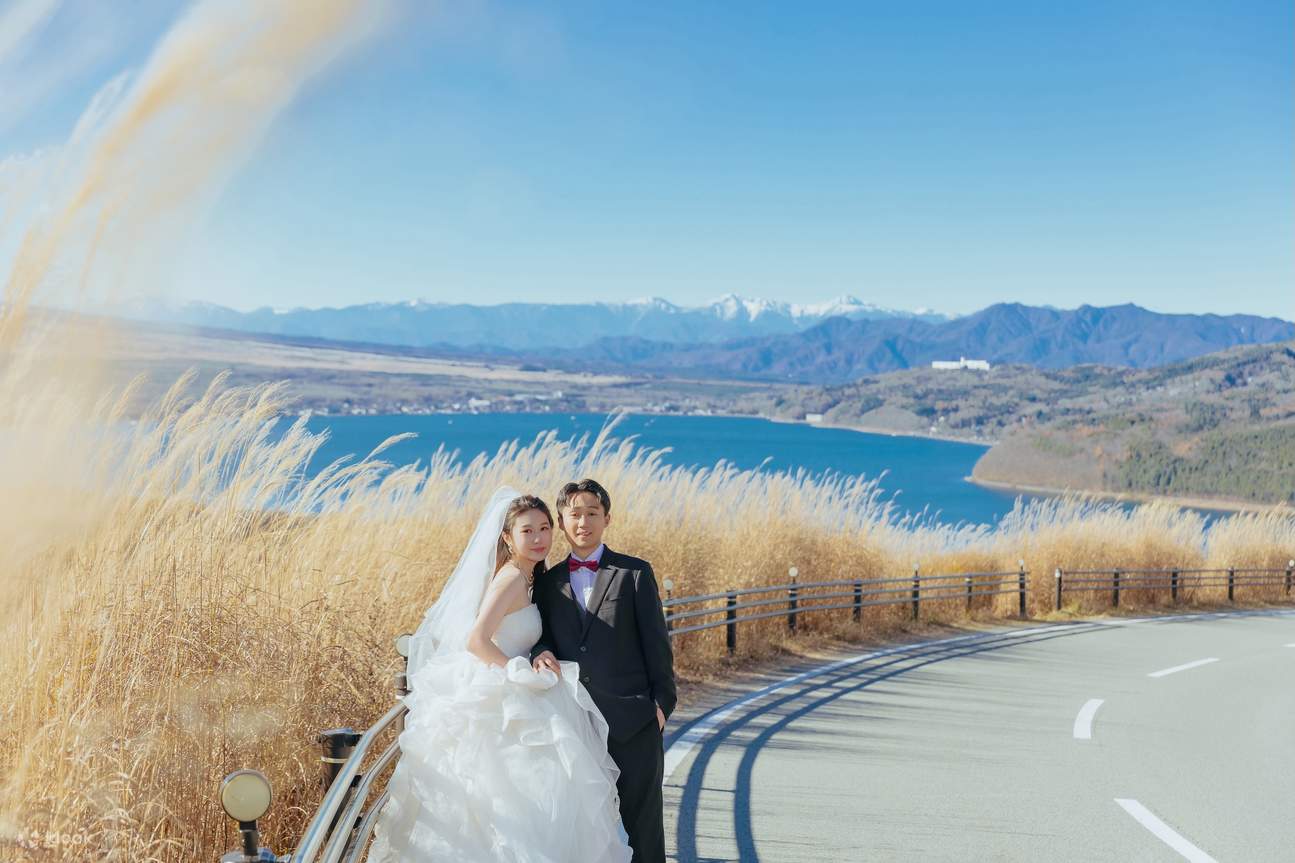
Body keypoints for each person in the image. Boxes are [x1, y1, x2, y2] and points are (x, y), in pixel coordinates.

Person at [367, 487, 632, 863]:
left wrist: (537, 655)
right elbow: (476, 640)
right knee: (503, 802)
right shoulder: (510, 579)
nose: (539, 539)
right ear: (507, 537)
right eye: (528, 531)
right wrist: (517, 671)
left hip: (521, 684)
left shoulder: (529, 578)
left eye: (544, 528)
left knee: (540, 800)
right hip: (500, 690)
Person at [531, 478, 677, 863]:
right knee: (584, 829)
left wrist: (660, 707)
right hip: (574, 723)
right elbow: (538, 635)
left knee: (642, 828)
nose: (583, 522)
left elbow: (657, 646)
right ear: (561, 521)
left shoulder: (634, 573)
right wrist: (541, 650)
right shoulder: (546, 583)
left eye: (592, 513)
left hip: (632, 722)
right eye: (574, 514)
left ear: (607, 518)